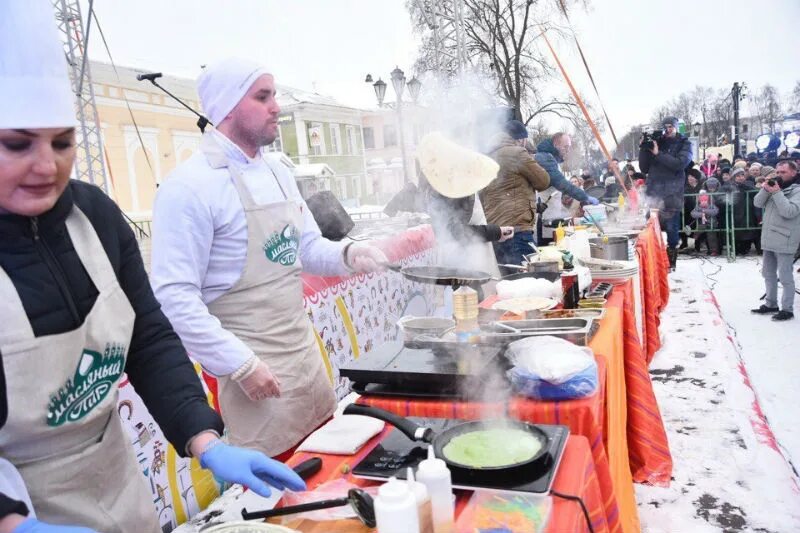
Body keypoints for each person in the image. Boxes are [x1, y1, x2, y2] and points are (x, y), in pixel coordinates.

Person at [0, 4, 304, 532]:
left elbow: (148, 336)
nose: (46, 166)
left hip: (115, 482)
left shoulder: (92, 214)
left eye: (63, 142)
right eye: (17, 144)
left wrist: (204, 438)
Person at [150, 58, 388, 460]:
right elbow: (174, 297)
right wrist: (239, 364)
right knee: (282, 499)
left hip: (306, 363)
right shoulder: (189, 188)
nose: (276, 106)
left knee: (329, 477)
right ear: (227, 108)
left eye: (274, 94)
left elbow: (306, 248)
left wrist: (350, 253)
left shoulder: (278, 171)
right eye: (263, 97)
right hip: (255, 378)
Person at [480, 120, 550, 267]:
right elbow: (543, 181)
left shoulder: (485, 157)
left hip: (495, 233)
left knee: (507, 284)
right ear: (521, 139)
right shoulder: (517, 152)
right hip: (517, 232)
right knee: (528, 281)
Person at [639, 116, 693, 270]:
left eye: (671, 126)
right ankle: (653, 260)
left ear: (676, 127)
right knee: (650, 227)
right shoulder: (658, 141)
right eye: (665, 126)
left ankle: (671, 262)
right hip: (654, 192)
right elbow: (644, 168)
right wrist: (643, 148)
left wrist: (658, 154)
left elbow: (679, 164)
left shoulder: (685, 143)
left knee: (671, 230)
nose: (668, 129)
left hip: (672, 193)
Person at [751, 161, 800, 321]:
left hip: (785, 239)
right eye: (777, 172)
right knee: (768, 273)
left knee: (785, 277)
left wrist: (777, 193)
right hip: (769, 237)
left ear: (794, 172)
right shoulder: (774, 188)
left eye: (783, 172)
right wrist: (766, 189)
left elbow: (789, 211)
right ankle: (771, 304)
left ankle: (787, 309)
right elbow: (757, 203)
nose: (779, 175)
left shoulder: (797, 190)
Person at [691, 178, 722, 255]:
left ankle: (714, 250)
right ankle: (696, 234)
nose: (704, 203)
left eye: (705, 201)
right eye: (702, 201)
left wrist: (705, 211)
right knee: (700, 228)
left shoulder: (711, 205)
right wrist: (701, 214)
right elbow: (693, 213)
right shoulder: (698, 207)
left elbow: (715, 211)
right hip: (702, 224)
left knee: (712, 238)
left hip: (711, 224)